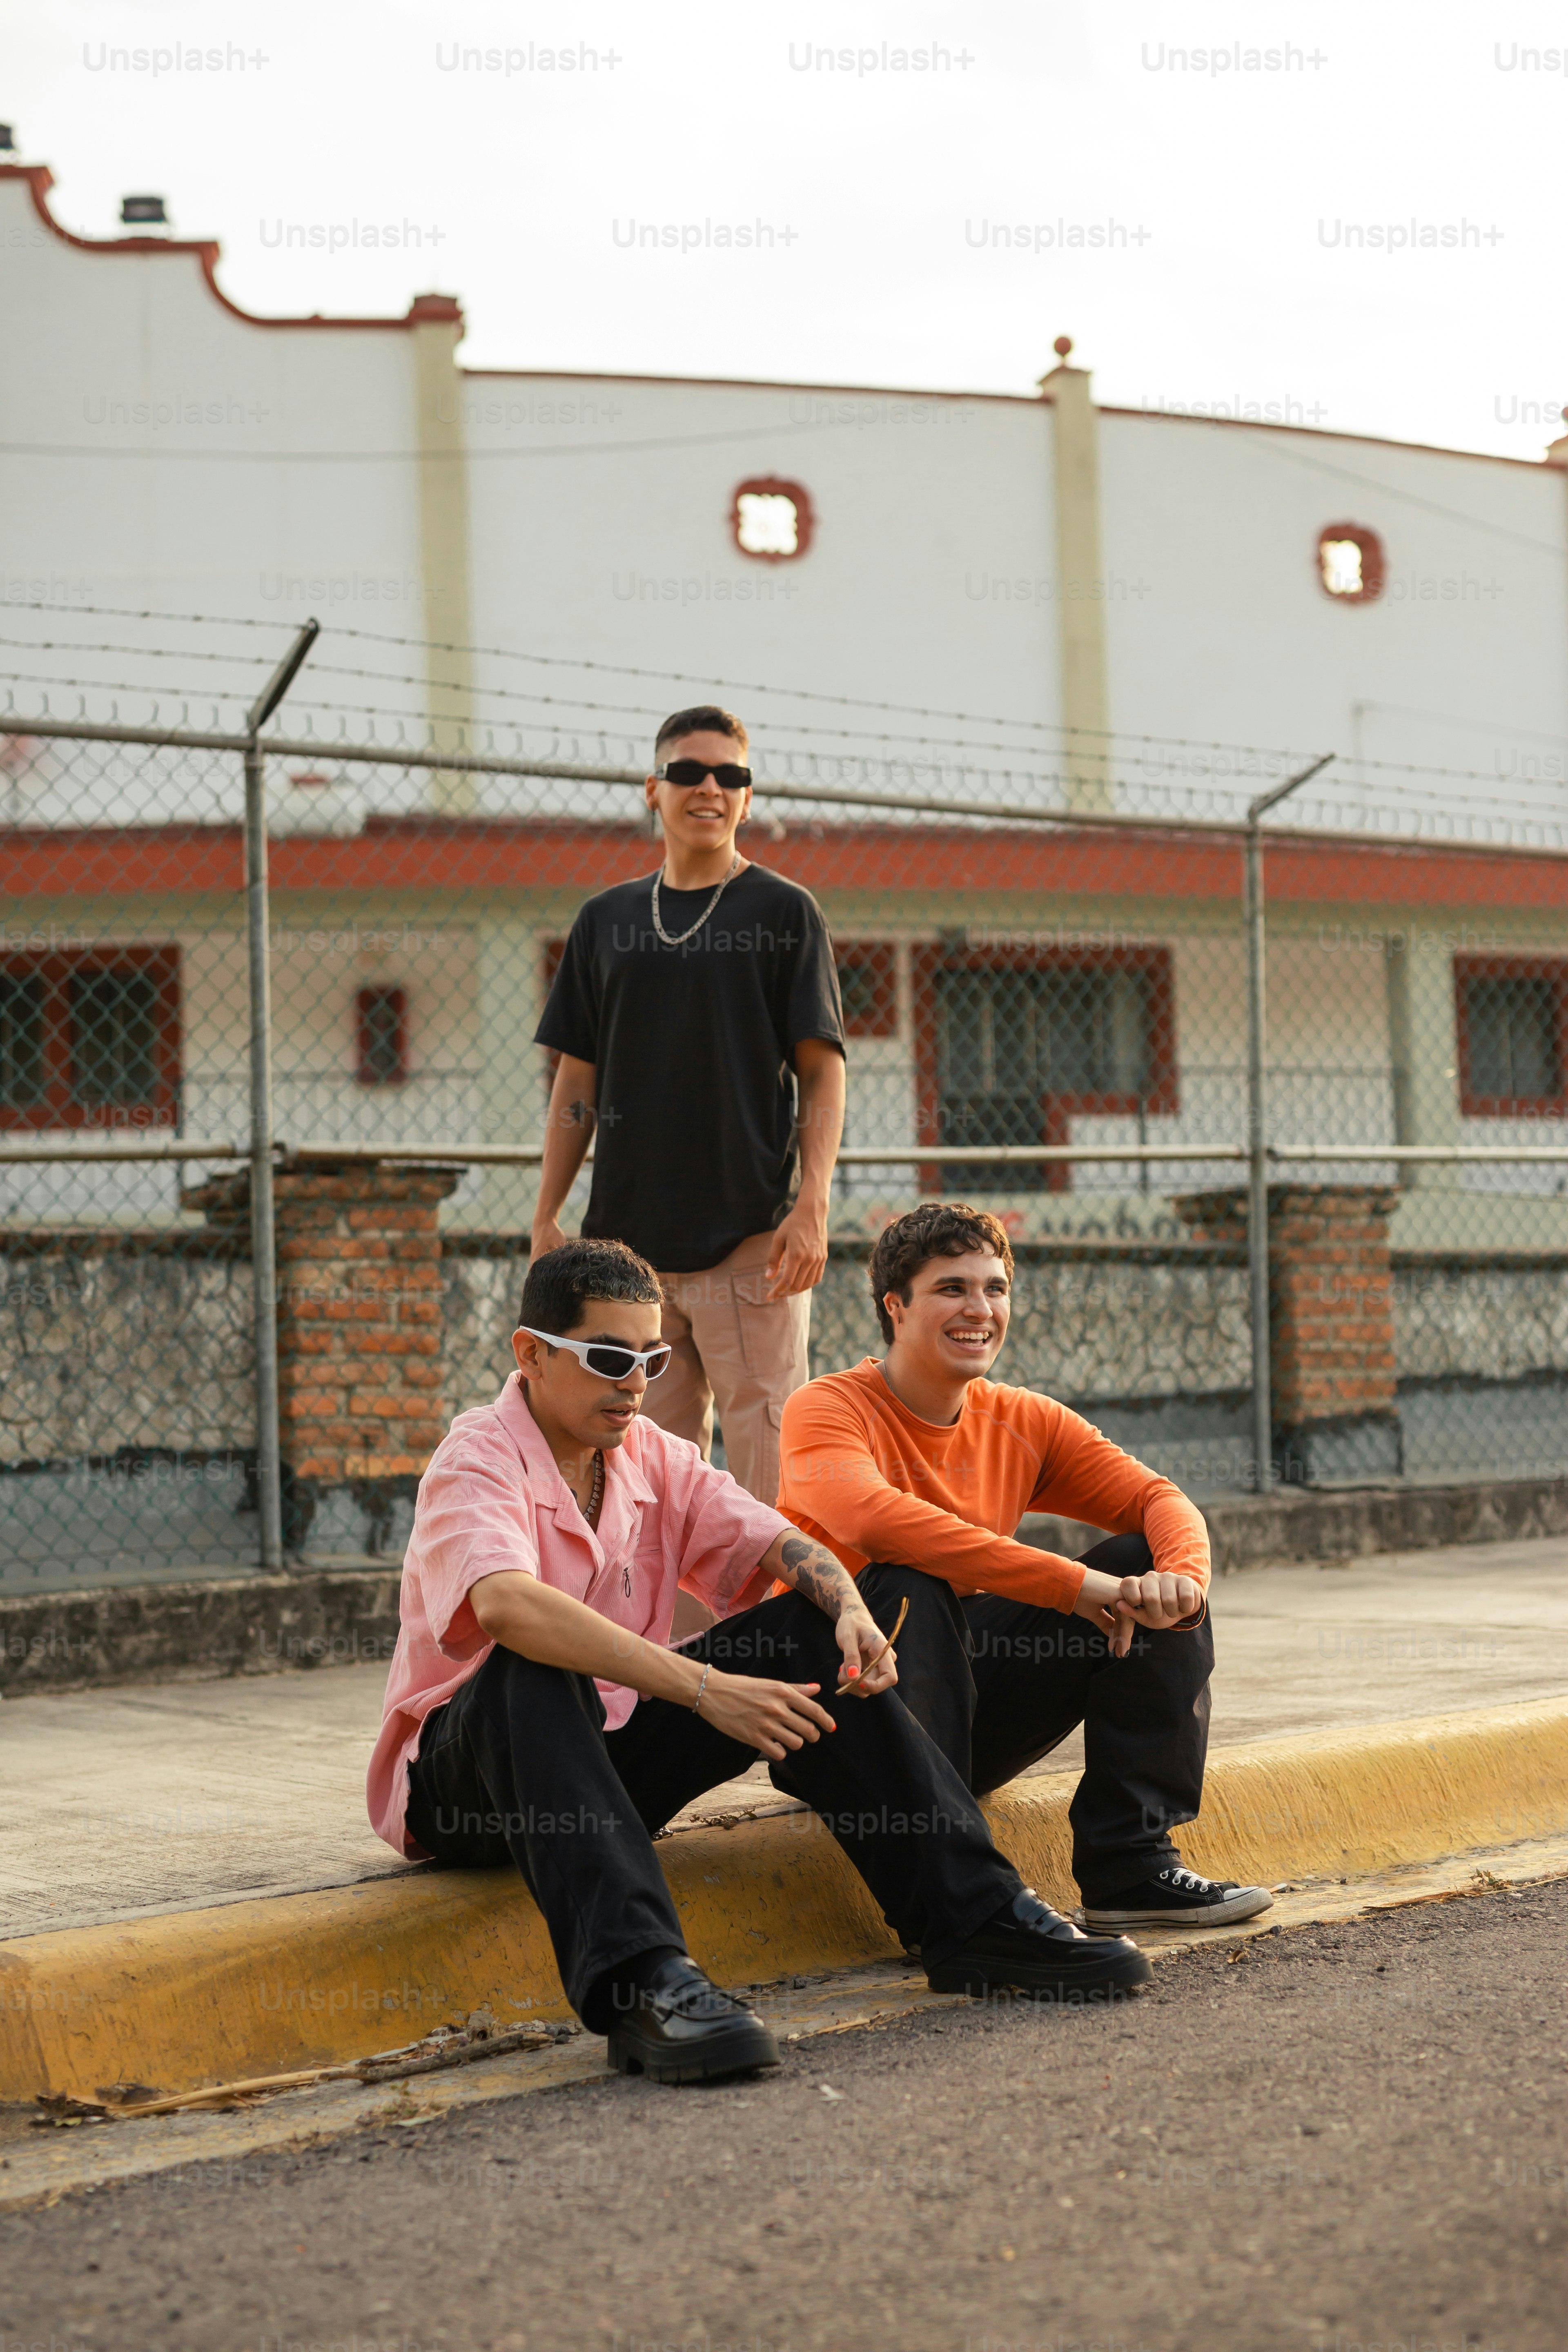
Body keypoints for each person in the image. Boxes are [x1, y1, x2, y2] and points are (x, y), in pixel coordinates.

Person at [367, 1237, 1152, 2087]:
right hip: (471, 1785)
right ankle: (647, 1986)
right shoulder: (478, 1454)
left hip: (604, 1757)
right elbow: (505, 1607)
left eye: (651, 1358)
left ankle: (976, 1921)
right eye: (606, 1358)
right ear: (532, 1353)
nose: (634, 1382)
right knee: (531, 1663)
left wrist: (848, 1610)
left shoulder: (650, 1455)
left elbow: (773, 1540)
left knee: (806, 1629)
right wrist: (705, 1690)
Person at [776, 1201, 1273, 1933]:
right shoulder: (827, 1407)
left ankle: (1130, 1869)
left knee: (1145, 1562)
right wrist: (1073, 1587)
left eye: (995, 1288)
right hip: (841, 1719)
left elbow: (1159, 1499)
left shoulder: (1025, 1420)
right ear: (896, 1305)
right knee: (910, 1580)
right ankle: (952, 1897)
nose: (980, 1308)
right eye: (952, 1288)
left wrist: (1182, 1587)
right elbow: (873, 1521)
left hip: (962, 1723)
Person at [531, 703, 846, 1508]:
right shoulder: (605, 921)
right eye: (689, 773)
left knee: (770, 1469)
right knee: (647, 1486)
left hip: (753, 1240)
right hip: (628, 1258)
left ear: (747, 799)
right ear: (653, 790)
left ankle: (780, 1635)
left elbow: (821, 1069)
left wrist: (812, 1204)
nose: (710, 788)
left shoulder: (783, 912)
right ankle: (677, 1642)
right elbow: (576, 1081)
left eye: (730, 776)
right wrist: (546, 1216)